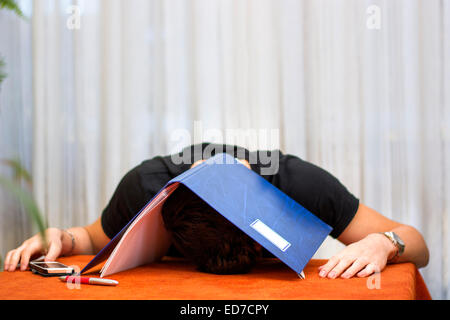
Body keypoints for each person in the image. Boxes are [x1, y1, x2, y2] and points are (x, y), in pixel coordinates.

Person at [4, 143, 429, 279]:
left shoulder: (296, 184)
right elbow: (92, 240)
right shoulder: (147, 186)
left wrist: (385, 242)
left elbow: (419, 246)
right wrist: (61, 236)